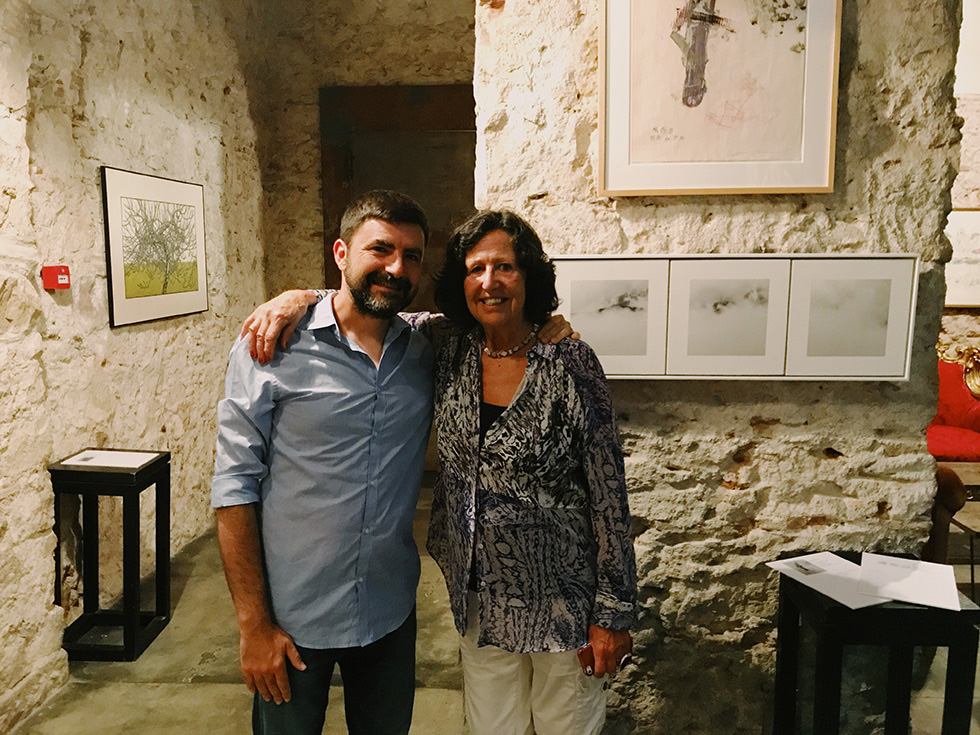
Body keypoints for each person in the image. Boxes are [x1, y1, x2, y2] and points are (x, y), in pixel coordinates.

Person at [244, 210, 637, 735]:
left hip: (564, 604)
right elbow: (366, 297)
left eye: (506, 267)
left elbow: (610, 494)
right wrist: (299, 298)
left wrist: (612, 614)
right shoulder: (448, 345)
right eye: (476, 268)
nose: (490, 282)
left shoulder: (568, 360)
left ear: (530, 276)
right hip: (481, 603)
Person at [211, 190, 434, 735]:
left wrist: (553, 327)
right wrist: (253, 626)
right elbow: (234, 486)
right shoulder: (271, 345)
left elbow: (500, 318)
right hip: (291, 618)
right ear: (340, 252)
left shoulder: (429, 344)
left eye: (411, 255)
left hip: (388, 611)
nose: (395, 267)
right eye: (379, 249)